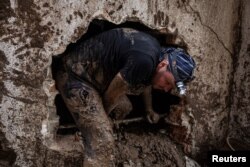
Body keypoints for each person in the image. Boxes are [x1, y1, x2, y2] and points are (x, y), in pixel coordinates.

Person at [55, 28, 196, 166]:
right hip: (75, 77)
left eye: (171, 87)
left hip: (97, 80)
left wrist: (149, 109)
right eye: (168, 82)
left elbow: (145, 83)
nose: (166, 89)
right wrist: (102, 122)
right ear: (164, 65)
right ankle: (91, 140)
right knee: (103, 140)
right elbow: (111, 95)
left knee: (124, 107)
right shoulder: (145, 60)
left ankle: (88, 134)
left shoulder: (156, 57)